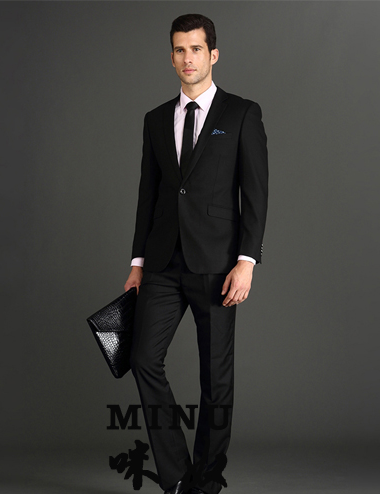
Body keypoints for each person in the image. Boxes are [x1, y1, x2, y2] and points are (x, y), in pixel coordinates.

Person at [124, 13, 268, 494]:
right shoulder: (155, 119)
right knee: (144, 358)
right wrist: (137, 264)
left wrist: (247, 261)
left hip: (219, 264)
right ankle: (178, 477)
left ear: (213, 55)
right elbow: (148, 194)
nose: (188, 58)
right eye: (179, 50)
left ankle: (206, 482)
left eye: (196, 49)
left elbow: (256, 193)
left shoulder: (241, 113)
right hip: (163, 262)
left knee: (215, 380)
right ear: (172, 57)